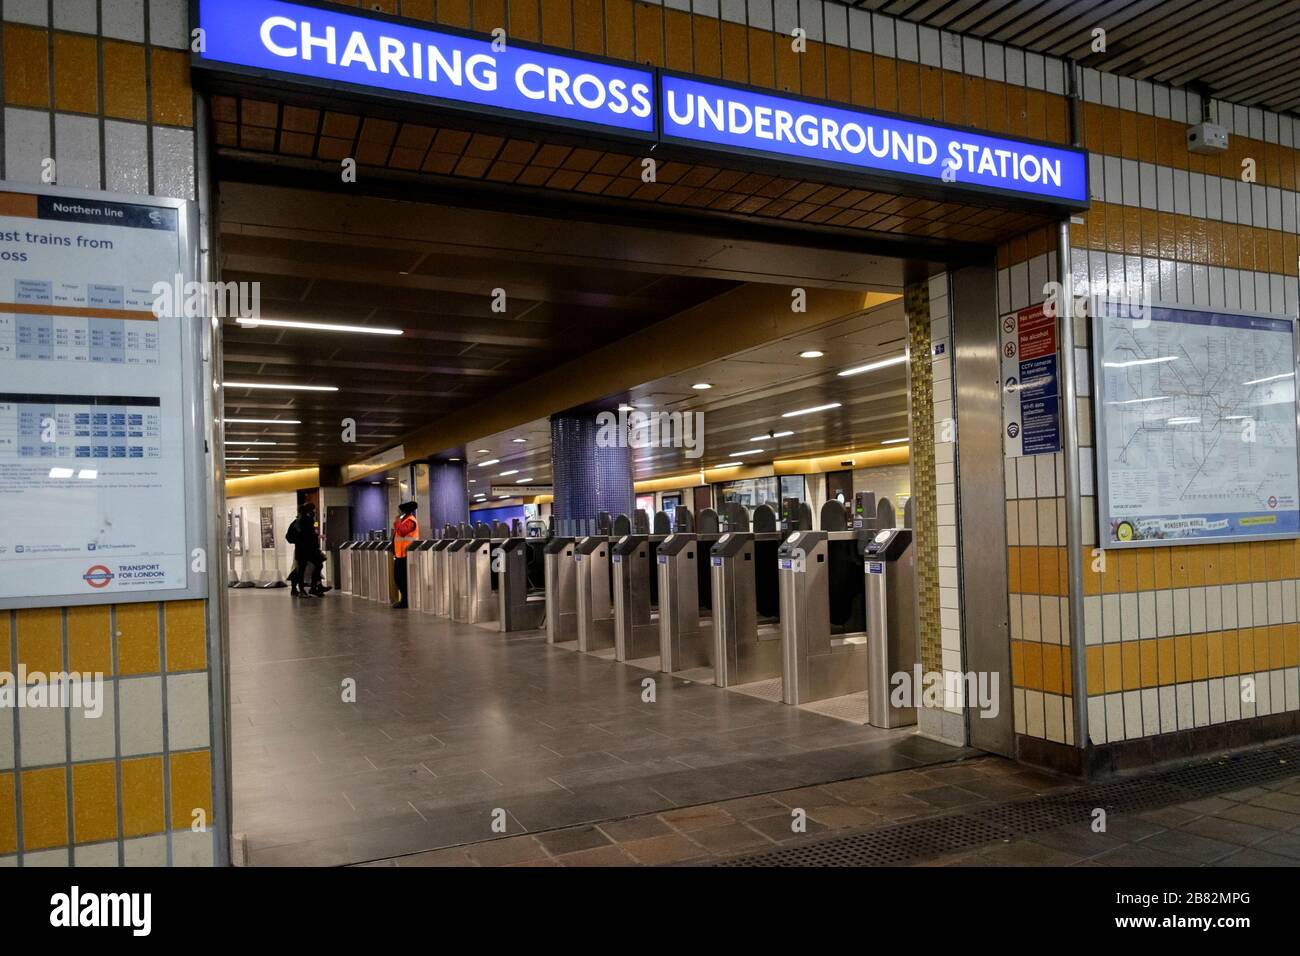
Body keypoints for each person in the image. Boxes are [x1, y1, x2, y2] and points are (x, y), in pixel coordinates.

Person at [287, 503, 325, 598]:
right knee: (302, 569)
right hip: (304, 550)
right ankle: (303, 590)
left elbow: (308, 534)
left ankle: (311, 588)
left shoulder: (304, 521)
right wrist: (301, 541)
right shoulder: (301, 521)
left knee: (313, 565)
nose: (315, 511)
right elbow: (306, 535)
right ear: (309, 511)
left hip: (305, 549)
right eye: (314, 509)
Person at [391, 500, 419, 609]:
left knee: (402, 579)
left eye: (401, 510)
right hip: (399, 554)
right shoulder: (405, 520)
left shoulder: (411, 521)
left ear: (405, 511)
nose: (399, 512)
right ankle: (404, 599)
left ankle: (405, 601)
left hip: (406, 555)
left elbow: (402, 531)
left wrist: (397, 520)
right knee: (398, 578)